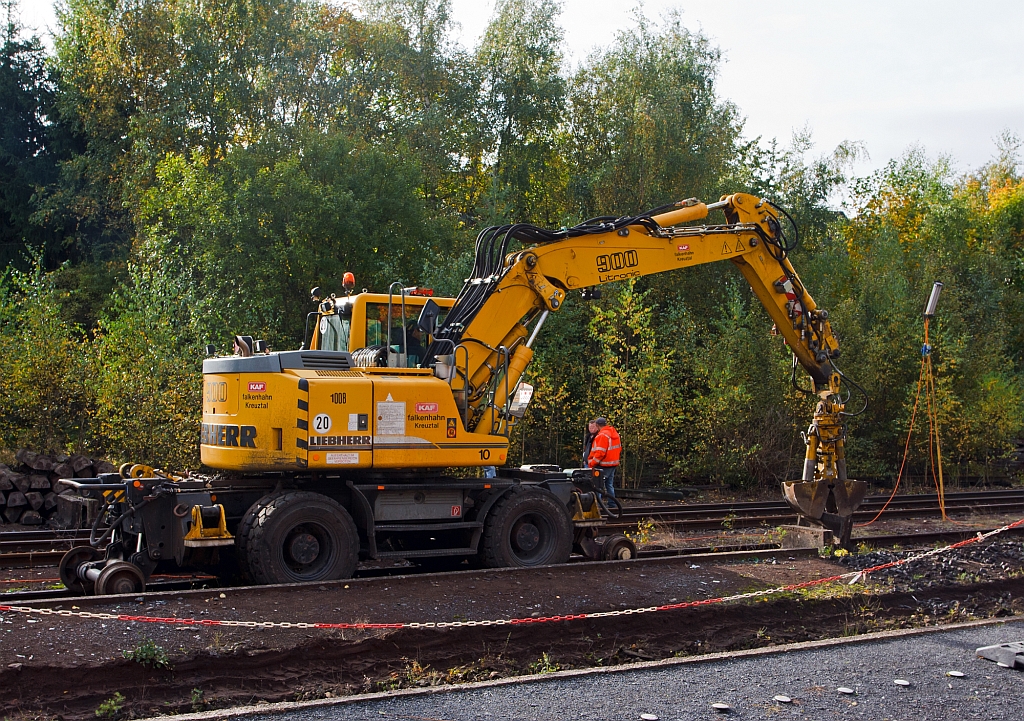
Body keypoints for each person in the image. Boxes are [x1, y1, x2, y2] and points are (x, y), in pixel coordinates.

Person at [586, 417, 621, 500]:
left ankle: (597, 505)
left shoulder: (602, 435)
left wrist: (592, 463)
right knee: (609, 485)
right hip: (613, 463)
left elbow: (600, 453)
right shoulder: (614, 434)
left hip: (604, 465)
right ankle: (612, 504)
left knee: (598, 486)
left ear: (597, 425)